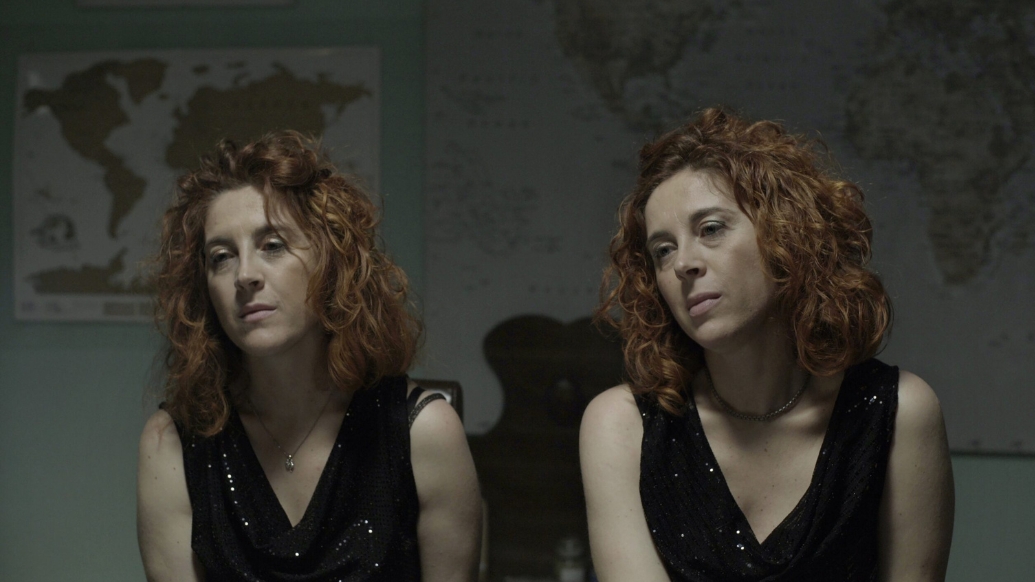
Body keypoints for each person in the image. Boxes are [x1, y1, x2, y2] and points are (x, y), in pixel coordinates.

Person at [581, 108, 954, 581]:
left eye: (710, 229)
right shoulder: (621, 426)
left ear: (786, 235)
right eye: (663, 250)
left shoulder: (899, 412)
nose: (683, 264)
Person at [137, 131, 482, 581]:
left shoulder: (424, 433)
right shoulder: (171, 443)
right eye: (221, 257)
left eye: (272, 246)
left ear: (331, 263)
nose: (244, 275)